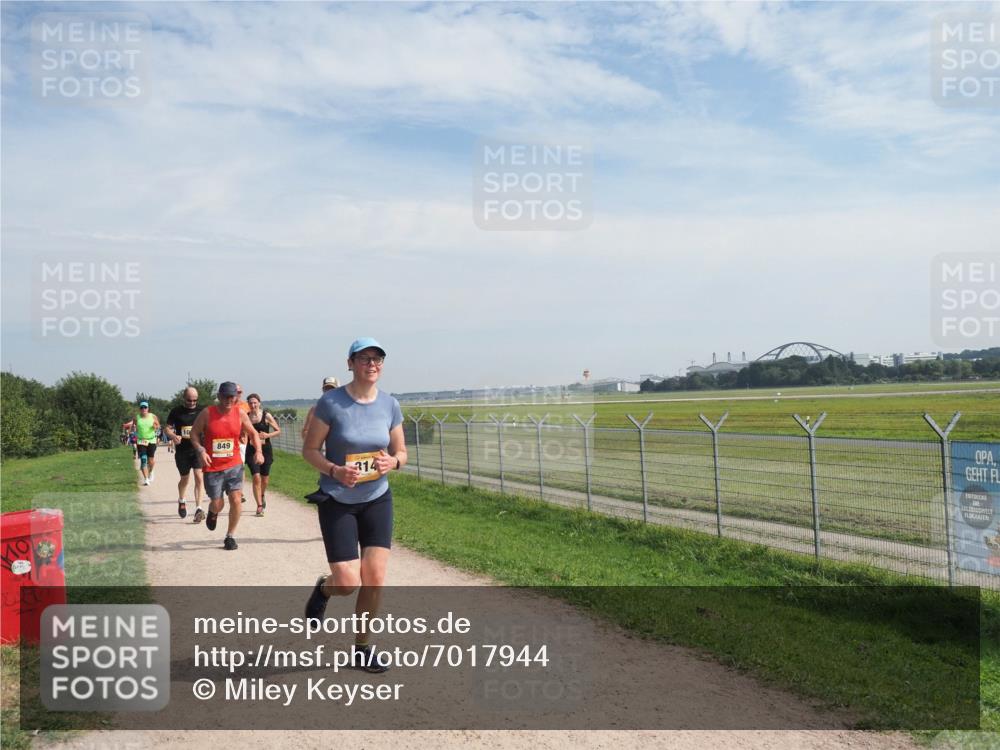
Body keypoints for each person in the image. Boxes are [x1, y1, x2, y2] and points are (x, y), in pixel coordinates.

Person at [302, 338, 406, 672]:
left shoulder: (390, 404)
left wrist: (394, 463)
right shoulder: (330, 403)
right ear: (350, 363)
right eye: (364, 358)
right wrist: (334, 470)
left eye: (377, 359)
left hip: (377, 498)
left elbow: (401, 452)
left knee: (374, 578)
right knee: (347, 581)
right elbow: (310, 450)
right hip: (337, 499)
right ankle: (325, 589)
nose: (372, 364)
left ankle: (361, 648)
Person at [189, 382, 264, 551]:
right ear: (219, 396)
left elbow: (253, 433)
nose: (229, 400)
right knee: (218, 503)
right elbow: (194, 433)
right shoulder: (207, 413)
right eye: (225, 396)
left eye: (232, 396)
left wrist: (258, 451)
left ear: (236, 397)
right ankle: (213, 512)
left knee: (236, 499)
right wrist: (201, 450)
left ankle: (230, 536)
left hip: (234, 464)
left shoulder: (240, 413)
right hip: (212, 467)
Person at [164, 387, 206, 522]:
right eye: (189, 400)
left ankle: (199, 508)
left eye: (195, 400)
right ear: (184, 398)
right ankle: (182, 500)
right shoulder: (176, 411)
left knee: (199, 477)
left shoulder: (202, 411)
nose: (192, 403)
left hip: (198, 449)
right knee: (185, 479)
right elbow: (167, 428)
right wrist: (172, 435)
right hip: (182, 451)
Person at [246, 394, 281, 516]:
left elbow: (278, 430)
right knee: (256, 477)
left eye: (255, 403)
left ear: (259, 403)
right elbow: (241, 433)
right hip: (251, 451)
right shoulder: (246, 417)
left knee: (264, 479)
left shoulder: (266, 415)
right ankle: (259, 505)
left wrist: (267, 436)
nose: (253, 405)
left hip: (266, 450)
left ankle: (262, 494)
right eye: (250, 403)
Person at [302, 377, 339, 442]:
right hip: (321, 450)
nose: (329, 391)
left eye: (332, 389)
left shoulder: (345, 409)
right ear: (323, 390)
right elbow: (305, 432)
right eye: (326, 389)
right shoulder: (315, 410)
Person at [134, 401, 160, 486]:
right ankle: (146, 479)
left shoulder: (153, 416)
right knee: (143, 459)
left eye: (145, 407)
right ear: (140, 409)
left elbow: (158, 426)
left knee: (151, 461)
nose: (143, 409)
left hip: (151, 440)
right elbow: (134, 426)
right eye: (142, 407)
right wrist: (134, 433)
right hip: (141, 441)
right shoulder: (137, 417)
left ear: (148, 409)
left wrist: (155, 427)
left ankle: (151, 472)